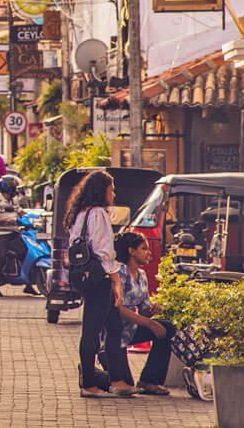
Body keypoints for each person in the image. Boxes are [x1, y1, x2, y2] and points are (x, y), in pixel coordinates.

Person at [64, 170, 136, 398]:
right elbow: (105, 251)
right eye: (111, 189)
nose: (113, 193)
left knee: (114, 326)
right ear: (101, 190)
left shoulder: (79, 214)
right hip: (100, 279)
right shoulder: (98, 215)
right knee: (92, 331)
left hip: (86, 277)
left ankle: (116, 379)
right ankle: (88, 382)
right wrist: (116, 281)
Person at [109, 232, 175, 395]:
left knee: (167, 329)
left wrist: (152, 311)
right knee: (125, 386)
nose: (149, 252)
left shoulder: (143, 275)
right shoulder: (120, 273)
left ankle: (150, 381)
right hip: (115, 333)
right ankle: (90, 374)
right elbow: (118, 310)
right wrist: (149, 323)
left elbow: (144, 310)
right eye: (144, 248)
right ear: (131, 251)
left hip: (132, 329)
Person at [0, 175, 37, 298]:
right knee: (2, 255)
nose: (16, 191)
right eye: (14, 188)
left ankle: (28, 284)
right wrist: (8, 220)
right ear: (8, 189)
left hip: (13, 233)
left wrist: (33, 217)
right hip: (0, 235)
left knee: (26, 251)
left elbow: (21, 212)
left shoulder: (13, 201)